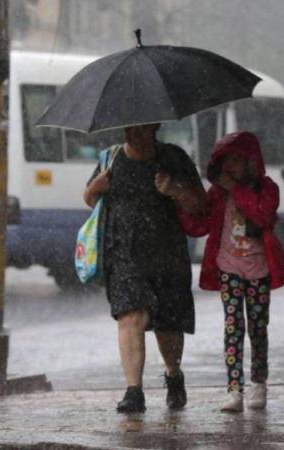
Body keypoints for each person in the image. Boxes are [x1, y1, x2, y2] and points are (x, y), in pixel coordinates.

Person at [84, 123, 207, 413]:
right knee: (130, 316)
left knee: (168, 324)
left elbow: (200, 205)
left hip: (168, 256)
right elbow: (91, 200)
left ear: (154, 127)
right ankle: (133, 391)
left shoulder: (173, 158)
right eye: (127, 129)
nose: (130, 134)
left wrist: (175, 189)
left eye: (138, 130)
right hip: (124, 254)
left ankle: (173, 374)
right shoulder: (111, 158)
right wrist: (94, 188)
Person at [178, 131, 284, 412]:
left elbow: (262, 216)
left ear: (250, 163)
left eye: (237, 161)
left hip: (258, 269)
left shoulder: (268, 189)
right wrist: (178, 201)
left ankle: (259, 383)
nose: (231, 168)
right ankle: (233, 388)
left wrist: (237, 190)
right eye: (226, 162)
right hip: (228, 268)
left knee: (257, 327)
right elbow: (199, 225)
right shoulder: (217, 195)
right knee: (233, 326)